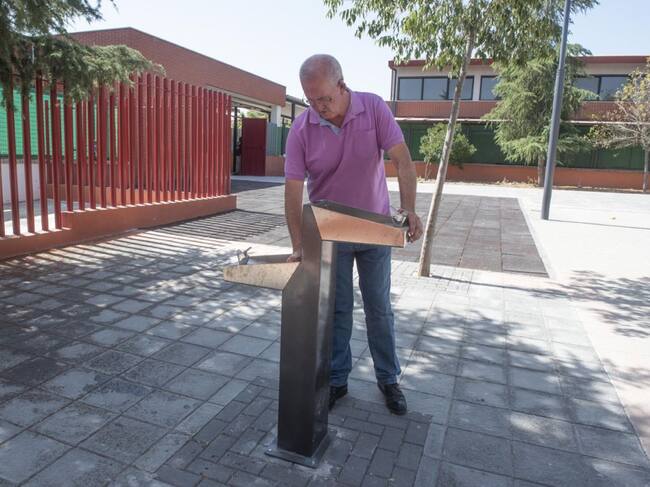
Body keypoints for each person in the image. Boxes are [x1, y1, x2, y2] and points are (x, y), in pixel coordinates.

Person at [284, 54, 423, 415]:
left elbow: (403, 161)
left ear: (342, 85)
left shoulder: (373, 108)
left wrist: (409, 208)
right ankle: (337, 380)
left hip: (374, 229)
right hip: (330, 234)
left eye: (325, 98)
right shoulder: (301, 128)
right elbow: (293, 190)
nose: (318, 107)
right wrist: (298, 245)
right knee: (338, 310)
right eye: (311, 100)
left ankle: (388, 379)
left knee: (379, 308)